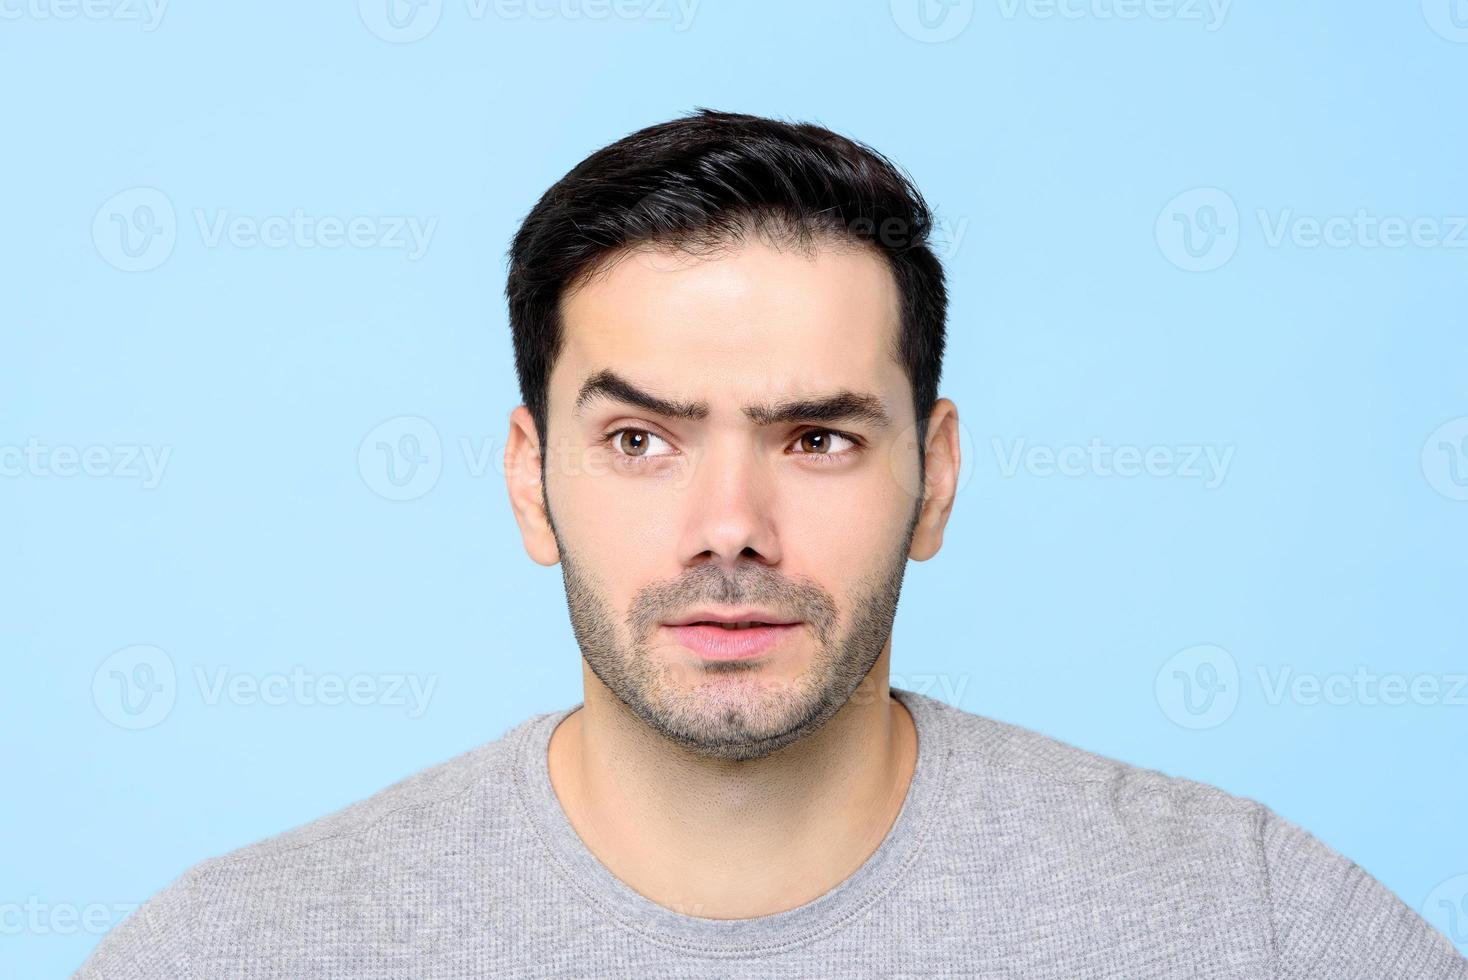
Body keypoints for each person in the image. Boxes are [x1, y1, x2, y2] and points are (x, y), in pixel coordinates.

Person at [77, 108, 1468, 978]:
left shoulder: (1244, 924)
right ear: (528, 480)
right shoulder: (243, 950)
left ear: (934, 479)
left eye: (817, 437)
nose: (728, 526)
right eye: (640, 441)